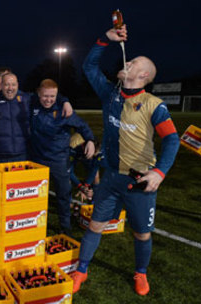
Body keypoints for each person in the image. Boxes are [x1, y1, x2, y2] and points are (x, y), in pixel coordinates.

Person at [70, 25, 180, 296]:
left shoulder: (154, 105)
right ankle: (81, 270)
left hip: (139, 181)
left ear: (143, 75)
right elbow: (89, 67)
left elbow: (172, 140)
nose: (126, 63)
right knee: (95, 224)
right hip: (110, 177)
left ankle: (140, 274)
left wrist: (159, 172)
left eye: (132, 63)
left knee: (141, 233)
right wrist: (104, 40)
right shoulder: (111, 94)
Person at [29, 79, 95, 235]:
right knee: (35, 196)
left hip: (59, 160)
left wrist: (90, 140)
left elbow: (83, 126)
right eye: (45, 96)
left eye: (52, 96)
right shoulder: (32, 104)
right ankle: (33, 227)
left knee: (63, 195)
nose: (48, 100)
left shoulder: (64, 111)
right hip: (37, 160)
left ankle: (65, 228)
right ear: (39, 93)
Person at [0, 73, 72, 164]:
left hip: (22, 155)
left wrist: (65, 102)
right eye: (7, 85)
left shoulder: (27, 99)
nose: (10, 88)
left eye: (13, 84)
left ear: (18, 85)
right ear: (1, 85)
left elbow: (47, 94)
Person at [69, 133, 103, 202]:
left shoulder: (99, 151)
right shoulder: (73, 147)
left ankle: (94, 202)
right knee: (66, 178)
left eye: (93, 155)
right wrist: (80, 186)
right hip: (75, 151)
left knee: (96, 176)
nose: (91, 158)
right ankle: (67, 201)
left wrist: (86, 186)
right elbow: (69, 171)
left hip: (84, 151)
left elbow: (94, 169)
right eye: (91, 155)